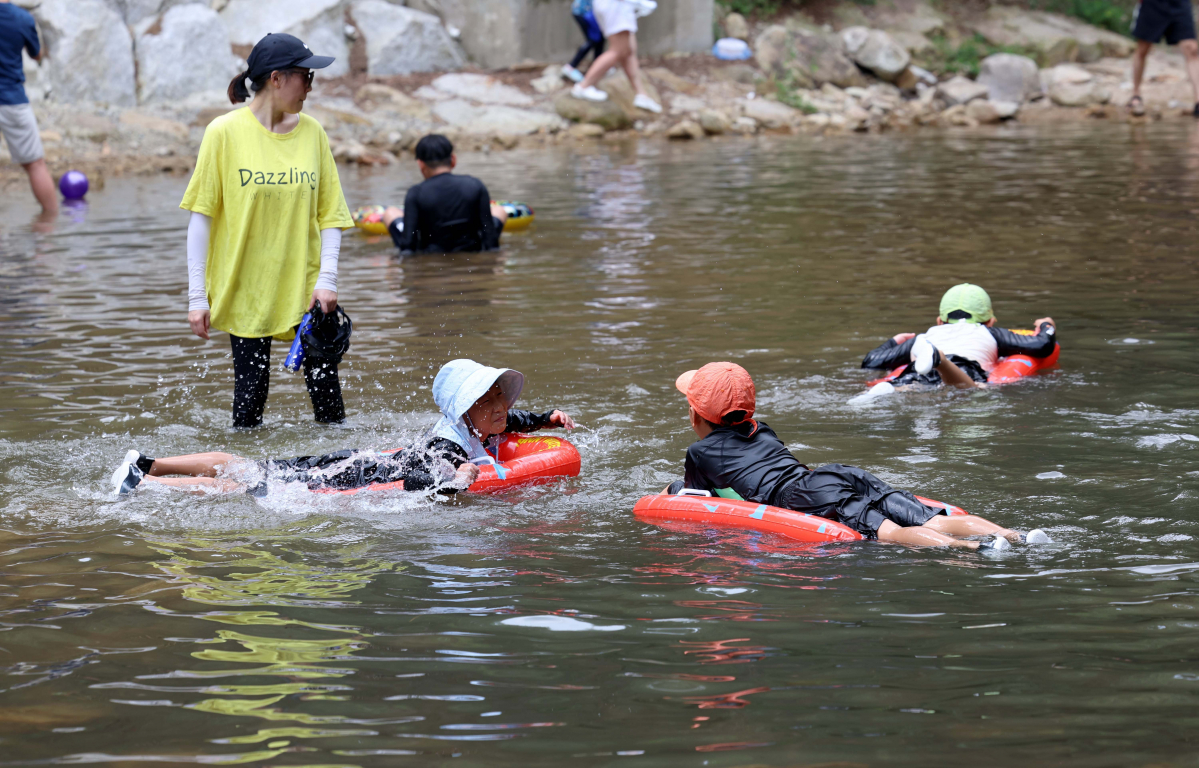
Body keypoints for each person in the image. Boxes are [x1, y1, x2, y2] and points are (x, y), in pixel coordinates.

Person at [664, 362, 1052, 551]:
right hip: (835, 474)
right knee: (928, 515)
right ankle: (1010, 534)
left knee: (889, 532)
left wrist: (675, 488)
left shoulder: (699, 452)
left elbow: (697, 501)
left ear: (696, 415)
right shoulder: (761, 428)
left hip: (804, 496)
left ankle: (972, 549)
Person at [181, 33, 354, 429]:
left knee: (328, 397)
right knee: (250, 401)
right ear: (276, 78)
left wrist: (327, 278)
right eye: (305, 76)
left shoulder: (312, 133)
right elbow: (201, 217)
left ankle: (341, 475)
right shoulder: (223, 133)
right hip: (246, 287)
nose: (311, 87)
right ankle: (245, 482)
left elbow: (331, 215)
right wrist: (196, 296)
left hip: (307, 286)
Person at [109, 359, 576, 496]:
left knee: (256, 467)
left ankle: (148, 464)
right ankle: (146, 479)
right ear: (463, 410)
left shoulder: (483, 424)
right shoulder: (446, 445)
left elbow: (511, 421)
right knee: (250, 480)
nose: (501, 408)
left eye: (501, 397)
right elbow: (424, 479)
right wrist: (456, 483)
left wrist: (545, 418)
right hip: (352, 476)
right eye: (488, 399)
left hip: (363, 461)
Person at [860, 283, 1057, 389]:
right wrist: (1046, 325)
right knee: (970, 390)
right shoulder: (989, 333)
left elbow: (871, 361)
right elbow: (1042, 345)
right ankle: (941, 362)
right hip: (962, 367)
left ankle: (887, 389)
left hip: (915, 369)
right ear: (990, 321)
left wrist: (894, 341)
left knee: (909, 388)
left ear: (939, 321)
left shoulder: (925, 336)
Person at [382, 134, 509, 254]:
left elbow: (408, 245)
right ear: (453, 159)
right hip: (471, 250)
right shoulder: (475, 185)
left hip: (431, 253)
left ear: (420, 164)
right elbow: (490, 238)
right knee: (499, 210)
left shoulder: (416, 193)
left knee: (391, 212)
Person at [0, 0, 57, 217]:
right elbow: (37, 54)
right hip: (12, 100)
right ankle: (49, 231)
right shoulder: (22, 18)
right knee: (35, 165)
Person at [570, 0, 663, 114]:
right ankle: (583, 87)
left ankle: (641, 95)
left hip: (617, 6)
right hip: (616, 6)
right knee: (618, 50)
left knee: (629, 50)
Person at [1128, 0, 1199, 116]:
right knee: (1143, 48)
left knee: (1191, 48)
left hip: (1180, 3)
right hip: (1152, 4)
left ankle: (1198, 101)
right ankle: (1136, 94)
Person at [561, 0, 605, 84]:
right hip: (584, 12)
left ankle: (598, 66)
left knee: (599, 39)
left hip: (586, 11)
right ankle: (571, 66)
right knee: (593, 39)